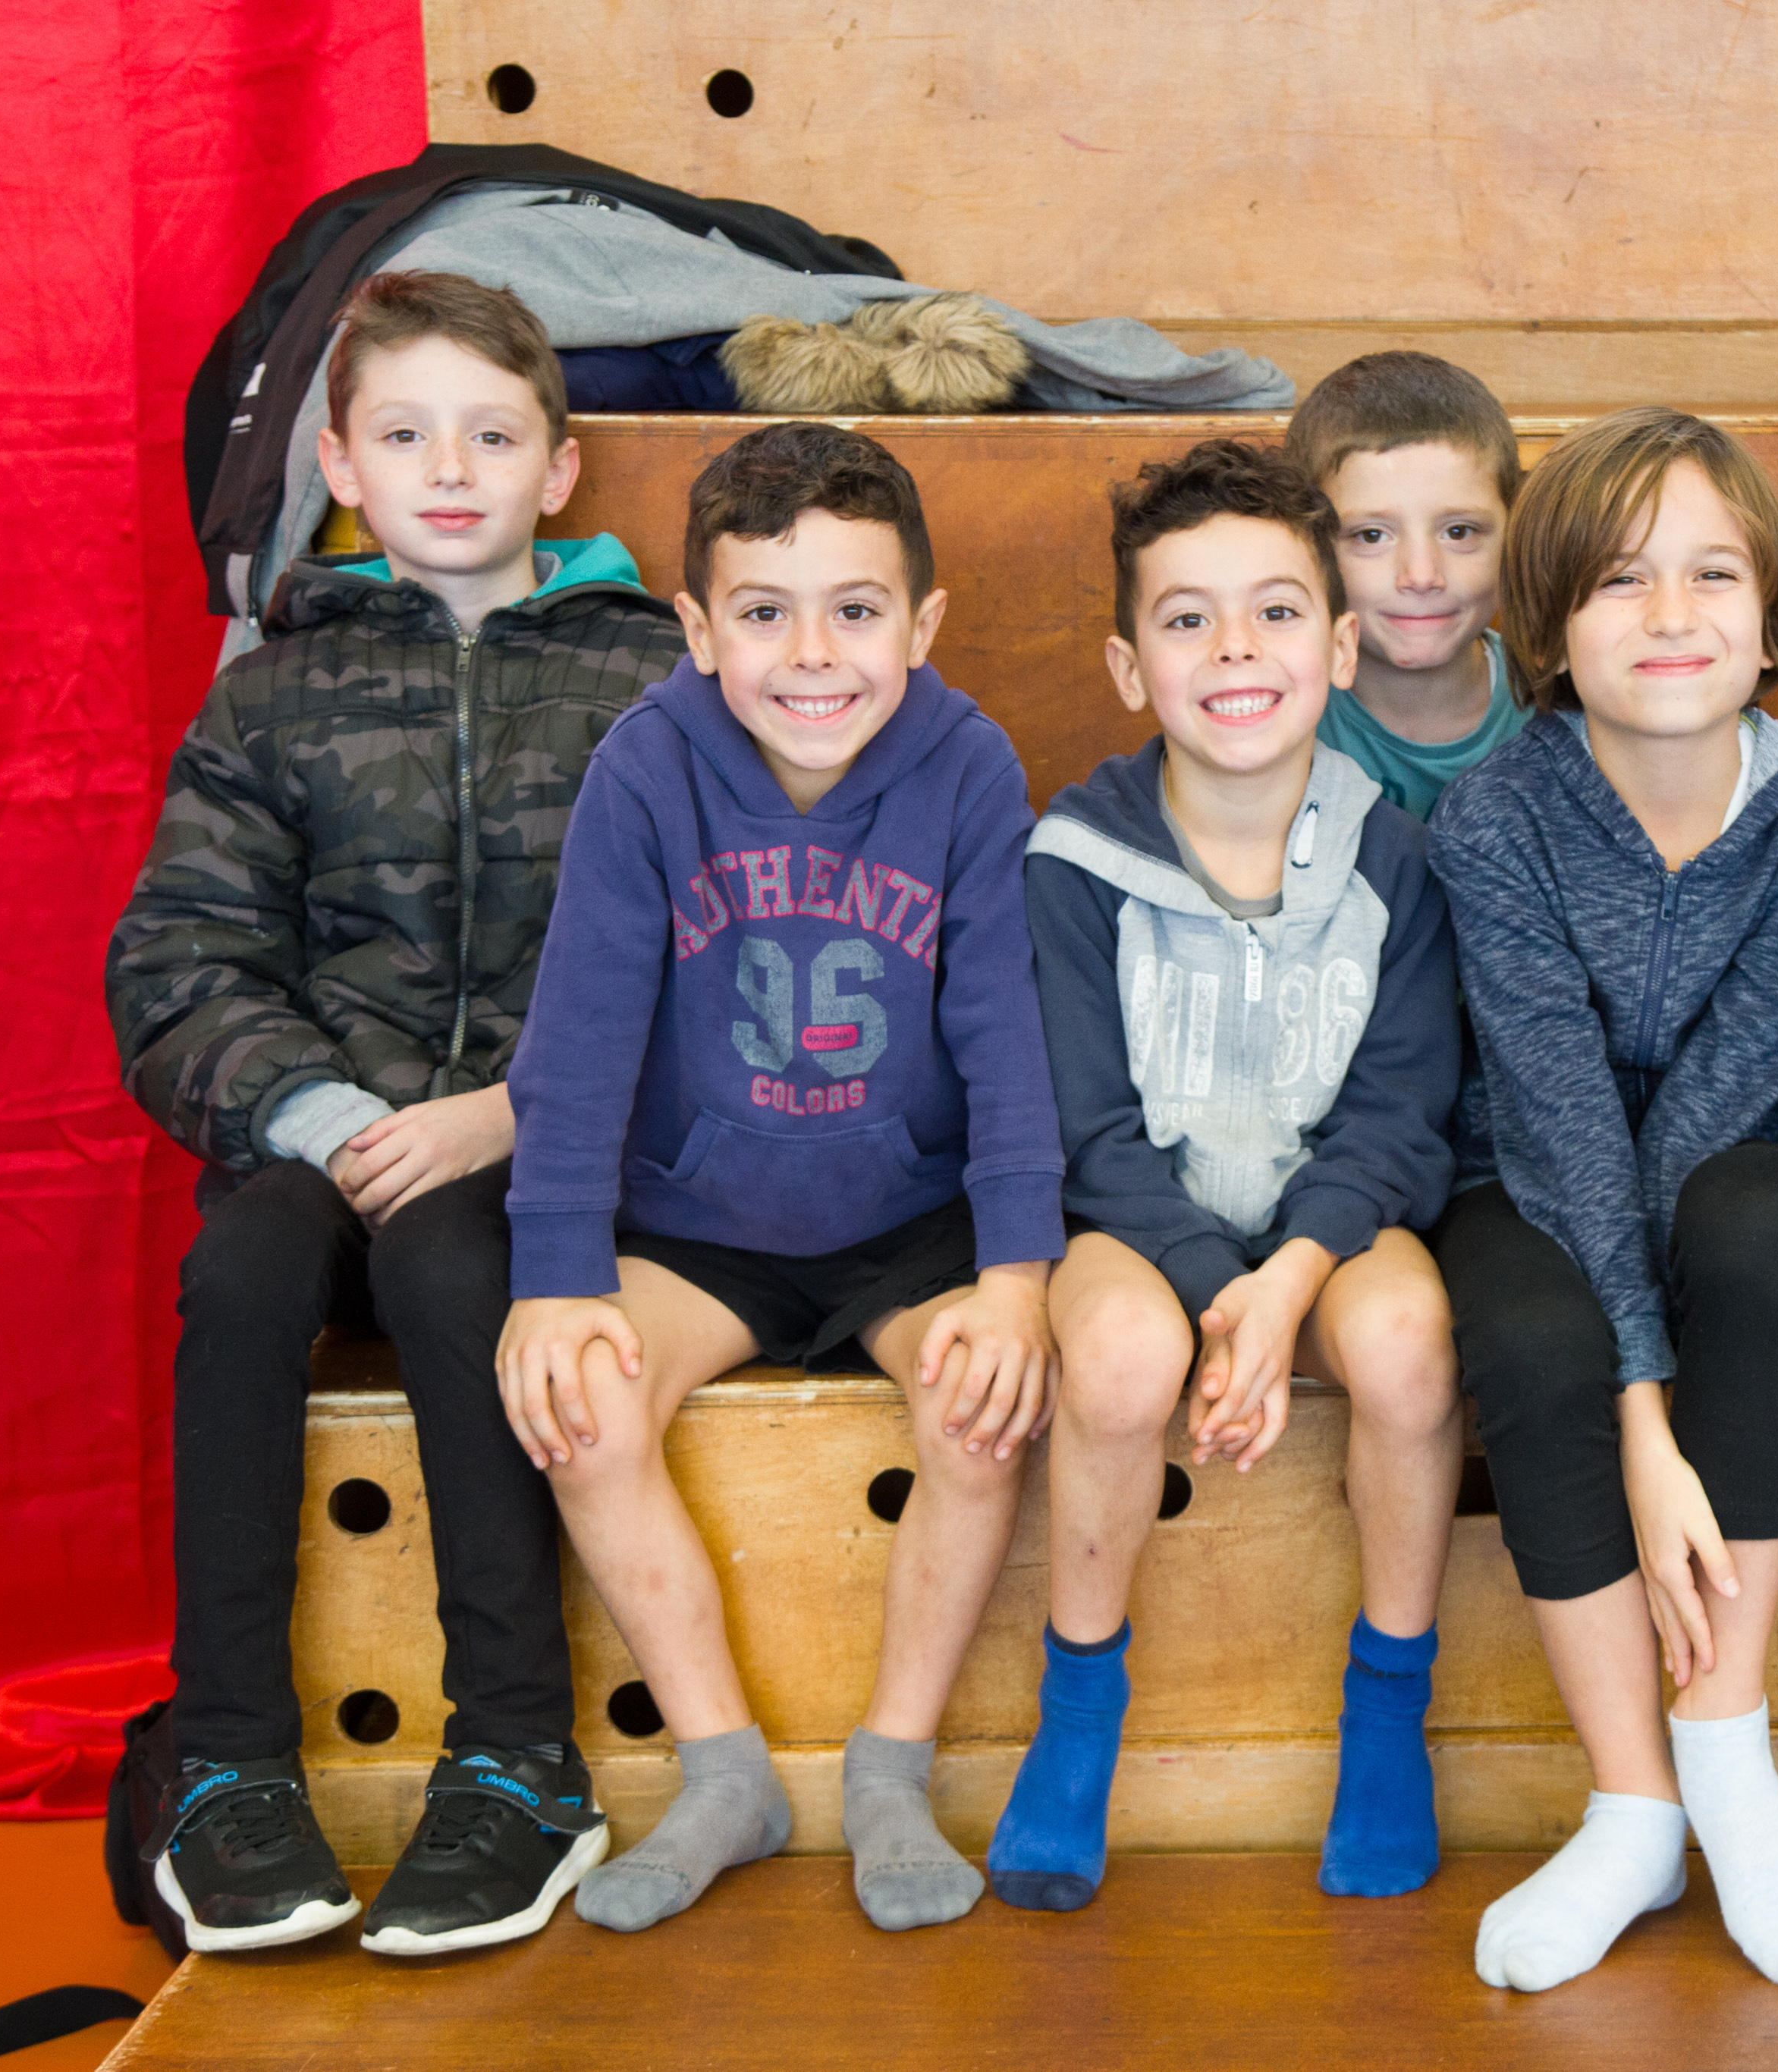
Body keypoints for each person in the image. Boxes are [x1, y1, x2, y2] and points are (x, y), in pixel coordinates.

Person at [107, 271, 681, 1955]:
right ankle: (227, 1762)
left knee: (449, 1266)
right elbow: (180, 958)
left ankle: (515, 1758)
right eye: (408, 434)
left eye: (492, 436)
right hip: (330, 1137)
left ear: (557, 470)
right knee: (240, 1271)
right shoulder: (274, 691)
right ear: (342, 464)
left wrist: (505, 1118)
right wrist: (328, 1114)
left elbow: (705, 953)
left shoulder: (653, 683)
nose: (449, 468)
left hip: (546, 1158)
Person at [493, 420, 1066, 1936]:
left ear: (922, 624)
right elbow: (580, 1030)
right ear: (697, 629)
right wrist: (555, 1275)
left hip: (907, 1220)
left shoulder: (967, 764)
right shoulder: (646, 766)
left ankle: (892, 1766)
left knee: (982, 1409)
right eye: (764, 612)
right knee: (583, 1407)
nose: (812, 655)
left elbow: (1006, 1032)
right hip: (699, 1224)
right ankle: (723, 1772)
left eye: (855, 610)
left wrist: (1017, 1275)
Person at [1426, 407, 1778, 1994]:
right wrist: (1639, 1407)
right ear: (1549, 629)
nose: (1671, 615)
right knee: (1534, 1334)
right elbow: (1553, 1111)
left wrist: (1669, 1374)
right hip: (1518, 1172)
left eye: (1713, 574)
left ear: (1772, 619)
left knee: (1758, 1220)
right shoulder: (1494, 816)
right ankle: (1635, 1803)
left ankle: (1725, 1740)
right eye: (1621, 579)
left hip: (1725, 1161)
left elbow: (1728, 1090)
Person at [991, 439, 1465, 1912]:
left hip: (1335, 1220)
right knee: (1120, 1356)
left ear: (1342, 646)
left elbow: (1400, 1114)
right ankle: (1080, 1703)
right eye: (1187, 619)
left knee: (1407, 1339)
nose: (1235, 650)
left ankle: (1387, 1711)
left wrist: (1291, 1280)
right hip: (1139, 1222)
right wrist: (1218, 1295)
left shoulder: (1397, 859)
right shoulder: (1071, 859)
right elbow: (1085, 1129)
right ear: (1129, 666)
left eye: (1274, 611)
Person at [1281, 351, 1528, 820]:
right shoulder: (1281, 715)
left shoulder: (1562, 706)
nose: (1421, 575)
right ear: (1308, 546)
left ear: (1515, 535)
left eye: (1459, 532)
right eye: (1371, 536)